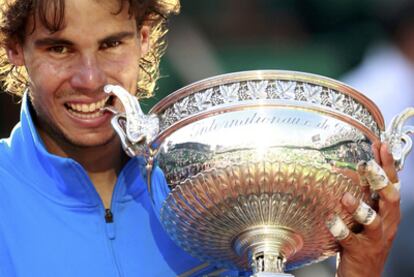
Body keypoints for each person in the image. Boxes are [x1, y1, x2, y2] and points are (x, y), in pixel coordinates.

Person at [0, 0, 401, 276]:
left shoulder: (214, 186)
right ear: (14, 48)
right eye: (59, 48)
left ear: (144, 38)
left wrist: (361, 268)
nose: (89, 80)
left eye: (111, 44)